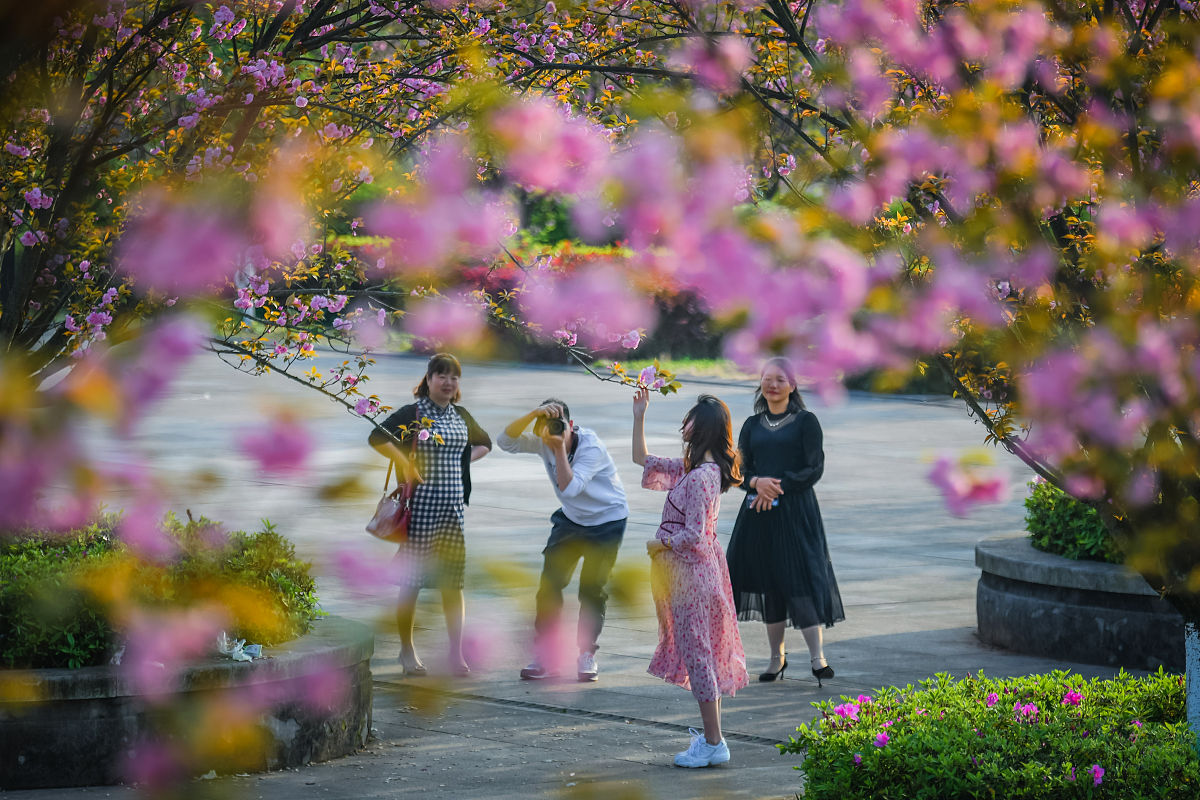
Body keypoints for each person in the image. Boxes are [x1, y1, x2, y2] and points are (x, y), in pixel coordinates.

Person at [632, 388, 748, 769]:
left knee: (699, 655)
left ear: (706, 428)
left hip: (691, 577)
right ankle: (713, 739)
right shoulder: (692, 469)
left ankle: (714, 743)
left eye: (691, 418)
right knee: (702, 654)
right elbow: (642, 460)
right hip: (689, 575)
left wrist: (660, 541)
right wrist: (639, 415)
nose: (685, 424)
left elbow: (695, 537)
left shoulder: (702, 477)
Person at [368, 353, 491, 677]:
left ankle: (455, 653)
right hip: (421, 510)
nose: (449, 382)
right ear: (430, 378)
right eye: (442, 375)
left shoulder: (461, 415)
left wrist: (461, 462)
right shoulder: (414, 412)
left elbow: (485, 443)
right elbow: (377, 436)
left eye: (454, 377)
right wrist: (406, 463)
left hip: (453, 512)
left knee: (453, 583)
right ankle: (407, 651)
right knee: (412, 583)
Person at [724, 356, 844, 687]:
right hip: (758, 515)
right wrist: (755, 483)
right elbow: (738, 471)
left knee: (800, 582)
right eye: (767, 378)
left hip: (796, 514)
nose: (773, 384)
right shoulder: (751, 424)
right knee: (770, 586)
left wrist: (778, 485)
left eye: (780, 379)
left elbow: (814, 467)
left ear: (792, 385)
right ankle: (777, 659)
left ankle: (818, 658)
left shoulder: (806, 422)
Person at [498, 398, 629, 682]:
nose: (554, 434)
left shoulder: (590, 446)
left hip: (607, 520)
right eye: (546, 429)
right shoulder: (544, 440)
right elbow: (504, 442)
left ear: (571, 425)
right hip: (571, 519)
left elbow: (570, 489)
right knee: (549, 586)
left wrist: (558, 449)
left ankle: (586, 654)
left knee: (592, 589)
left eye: (560, 428)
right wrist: (532, 413)